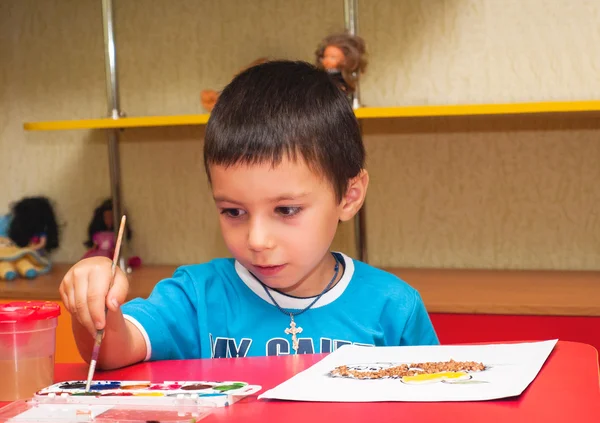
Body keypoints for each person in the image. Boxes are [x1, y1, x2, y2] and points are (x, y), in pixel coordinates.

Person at [59, 60, 438, 370]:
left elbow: (434, 421)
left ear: (349, 196)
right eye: (233, 211)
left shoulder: (393, 307)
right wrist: (95, 302)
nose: (257, 240)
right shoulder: (197, 297)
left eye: (286, 210)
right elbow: (112, 352)